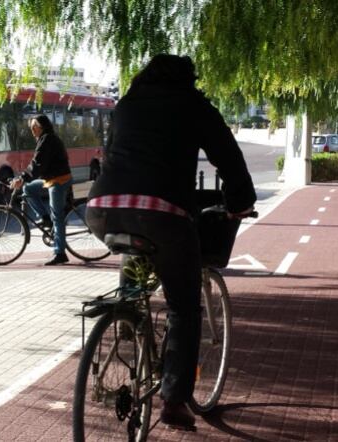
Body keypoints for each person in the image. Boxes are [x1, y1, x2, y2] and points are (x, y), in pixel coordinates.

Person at [86, 54, 256, 430]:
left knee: (136, 242)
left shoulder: (126, 105)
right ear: (188, 79)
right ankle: (174, 401)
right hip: (161, 212)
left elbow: (115, 153)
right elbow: (229, 157)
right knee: (183, 307)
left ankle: (129, 310)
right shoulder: (192, 104)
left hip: (100, 209)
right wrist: (240, 202)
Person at [11, 114, 73, 266]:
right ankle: (45, 218)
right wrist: (24, 179)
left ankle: (60, 253)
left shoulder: (47, 139)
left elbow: (37, 164)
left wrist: (22, 177)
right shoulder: (45, 139)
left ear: (43, 126)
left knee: (57, 216)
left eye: (34, 127)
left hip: (59, 180)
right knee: (29, 189)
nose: (32, 131)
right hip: (50, 178)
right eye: (31, 128)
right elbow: (37, 163)